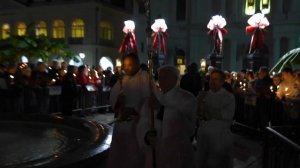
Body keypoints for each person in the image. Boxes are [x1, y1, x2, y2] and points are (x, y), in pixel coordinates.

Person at [146, 65, 197, 168]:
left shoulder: (187, 98)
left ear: (174, 79)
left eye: (164, 77)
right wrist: (147, 136)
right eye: (159, 78)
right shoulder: (157, 96)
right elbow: (146, 121)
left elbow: (187, 126)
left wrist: (161, 110)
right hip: (157, 151)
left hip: (178, 152)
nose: (160, 81)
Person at [108, 53, 152, 168]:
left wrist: (135, 110)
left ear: (137, 64)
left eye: (130, 65)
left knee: (134, 154)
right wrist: (119, 101)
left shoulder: (145, 78)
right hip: (121, 122)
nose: (126, 67)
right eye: (125, 65)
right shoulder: (122, 80)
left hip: (137, 123)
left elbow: (149, 101)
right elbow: (113, 99)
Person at [196, 69, 235, 168]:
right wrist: (199, 102)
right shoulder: (205, 94)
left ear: (222, 82)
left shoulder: (228, 97)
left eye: (215, 79)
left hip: (220, 137)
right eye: (211, 79)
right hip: (204, 135)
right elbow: (198, 114)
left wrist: (210, 112)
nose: (212, 82)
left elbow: (228, 114)